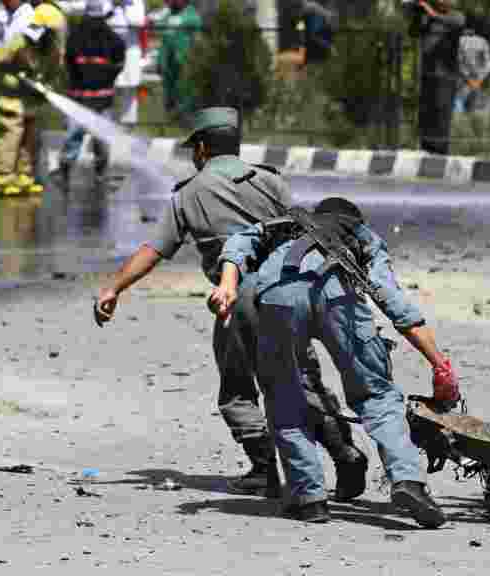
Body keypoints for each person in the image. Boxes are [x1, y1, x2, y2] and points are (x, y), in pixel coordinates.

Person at [94, 107, 370, 500]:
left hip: (237, 299)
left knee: (238, 389)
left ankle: (262, 469)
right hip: (289, 293)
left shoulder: (187, 195)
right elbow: (303, 230)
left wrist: (113, 288)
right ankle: (343, 452)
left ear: (203, 149)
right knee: (302, 379)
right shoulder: (271, 182)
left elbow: (154, 251)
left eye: (194, 149)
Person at [210, 197, 461, 525]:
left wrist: (227, 284)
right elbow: (392, 300)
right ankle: (408, 481)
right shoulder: (361, 234)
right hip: (338, 294)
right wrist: (438, 363)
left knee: (284, 396)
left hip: (277, 295)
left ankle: (309, 498)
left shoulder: (286, 223)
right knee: (377, 396)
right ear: (353, 219)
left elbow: (239, 241)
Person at [0, 1, 66, 196]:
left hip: (28, 95)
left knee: (29, 135)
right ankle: (3, 177)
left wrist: (45, 85)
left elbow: (54, 66)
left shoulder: (53, 42)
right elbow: (5, 54)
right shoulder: (30, 32)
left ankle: (24, 175)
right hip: (8, 92)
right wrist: (13, 66)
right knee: (10, 134)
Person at [57, 0, 126, 187]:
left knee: (96, 138)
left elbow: (118, 65)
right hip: (84, 98)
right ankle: (67, 172)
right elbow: (69, 64)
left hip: (94, 99)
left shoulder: (111, 41)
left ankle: (96, 173)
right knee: (76, 136)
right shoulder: (80, 39)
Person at [409, 0, 465, 155]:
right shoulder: (429, 18)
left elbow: (450, 22)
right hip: (428, 73)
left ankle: (440, 150)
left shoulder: (456, 17)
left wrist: (430, 12)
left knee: (441, 111)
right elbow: (413, 33)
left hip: (446, 74)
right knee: (427, 111)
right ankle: (426, 146)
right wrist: (416, 14)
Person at [156, 0, 200, 126]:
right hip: (168, 62)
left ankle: (186, 120)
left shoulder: (192, 17)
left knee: (184, 92)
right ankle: (170, 120)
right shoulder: (168, 16)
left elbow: (197, 40)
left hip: (184, 62)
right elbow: (163, 40)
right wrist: (160, 59)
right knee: (169, 92)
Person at [107, 0, 146, 126]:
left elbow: (138, 21)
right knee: (108, 88)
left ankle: (128, 124)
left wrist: (125, 5)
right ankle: (107, 123)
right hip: (109, 49)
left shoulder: (136, 2)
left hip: (130, 51)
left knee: (129, 88)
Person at [454, 28, 490, 113]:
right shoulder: (482, 41)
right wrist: (481, 78)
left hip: (463, 77)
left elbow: (458, 60)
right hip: (476, 77)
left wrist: (467, 77)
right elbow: (486, 61)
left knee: (460, 99)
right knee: (473, 101)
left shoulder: (460, 40)